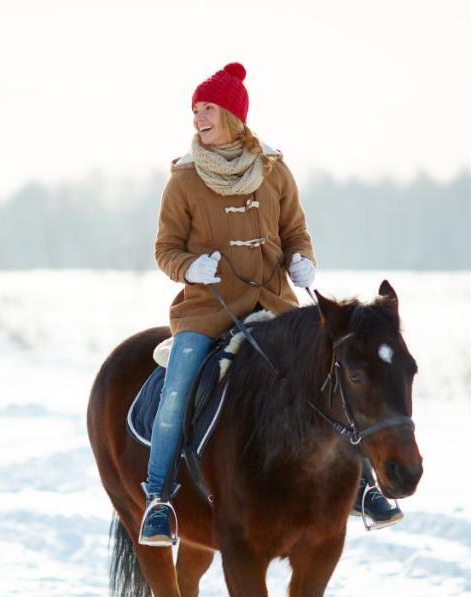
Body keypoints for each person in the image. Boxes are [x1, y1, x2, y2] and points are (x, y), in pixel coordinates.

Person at [141, 62, 401, 546]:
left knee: (336, 375)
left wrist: (302, 259)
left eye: (208, 109)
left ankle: (364, 487)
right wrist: (189, 267)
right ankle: (158, 500)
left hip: (276, 304)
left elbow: (295, 232)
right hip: (207, 311)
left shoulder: (274, 171)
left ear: (234, 117)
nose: (198, 117)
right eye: (195, 109)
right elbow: (165, 250)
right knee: (176, 392)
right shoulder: (184, 180)